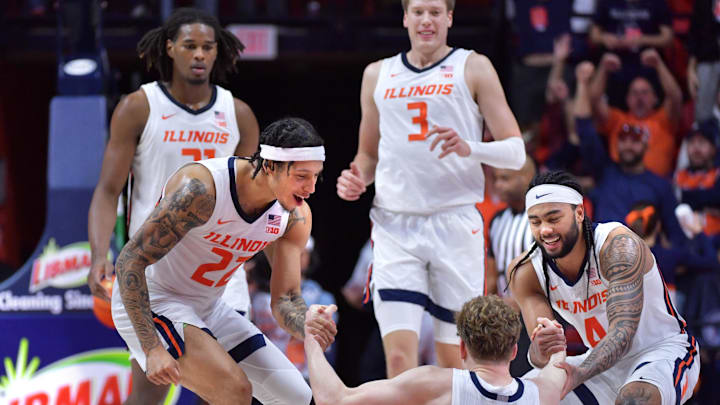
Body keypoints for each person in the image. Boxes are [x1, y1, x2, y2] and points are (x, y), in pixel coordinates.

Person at [336, 0, 526, 377]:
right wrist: (356, 178)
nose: (427, 20)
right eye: (419, 12)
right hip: (395, 225)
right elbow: (368, 155)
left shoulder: (473, 66)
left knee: (452, 362)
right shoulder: (377, 74)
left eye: (436, 12)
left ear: (450, 18)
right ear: (405, 17)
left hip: (454, 225)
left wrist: (470, 147)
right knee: (397, 360)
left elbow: (516, 153)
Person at [87, 8, 259, 404]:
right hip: (156, 269)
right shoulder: (139, 106)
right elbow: (108, 190)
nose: (199, 55)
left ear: (217, 53)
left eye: (207, 47)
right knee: (150, 391)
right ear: (170, 48)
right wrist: (100, 254)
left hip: (219, 274)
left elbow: (252, 198)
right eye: (190, 46)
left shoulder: (239, 115)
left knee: (229, 390)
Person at [111, 118, 336, 405]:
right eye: (302, 176)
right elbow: (130, 261)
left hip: (209, 305)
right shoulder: (202, 189)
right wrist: (152, 347)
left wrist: (307, 323)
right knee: (233, 390)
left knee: (298, 398)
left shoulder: (295, 216)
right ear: (269, 165)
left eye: (316, 176)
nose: (311, 188)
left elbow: (286, 299)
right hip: (154, 298)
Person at [507, 169, 700, 404]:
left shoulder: (617, 246)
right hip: (599, 363)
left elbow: (622, 334)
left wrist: (579, 372)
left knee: (633, 400)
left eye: (553, 218)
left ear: (579, 213)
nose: (545, 230)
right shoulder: (526, 272)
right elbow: (545, 357)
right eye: (535, 222)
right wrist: (538, 352)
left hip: (660, 351)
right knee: (524, 397)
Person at [304, 295, 568, 405]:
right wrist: (555, 340)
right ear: (514, 351)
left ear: (462, 348)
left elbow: (334, 399)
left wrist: (312, 338)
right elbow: (559, 362)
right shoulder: (544, 393)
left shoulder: (438, 384)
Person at [588, 49, 682, 178]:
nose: (639, 97)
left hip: (655, 188)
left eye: (644, 92)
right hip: (620, 184)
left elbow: (675, 96)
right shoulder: (617, 120)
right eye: (634, 93)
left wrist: (659, 64)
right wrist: (603, 68)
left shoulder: (664, 119)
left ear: (655, 99)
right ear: (627, 99)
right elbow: (594, 100)